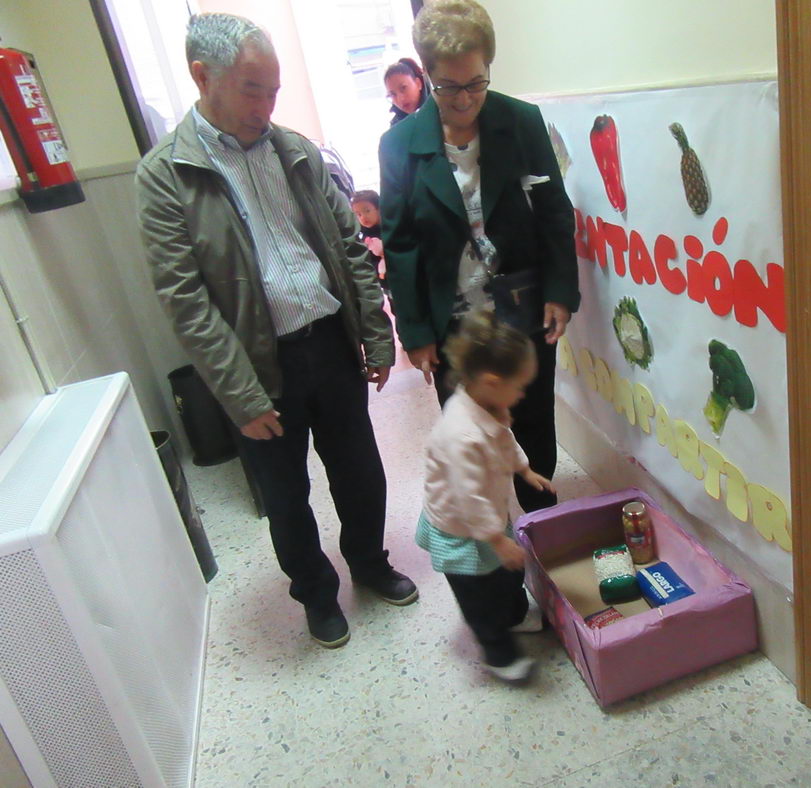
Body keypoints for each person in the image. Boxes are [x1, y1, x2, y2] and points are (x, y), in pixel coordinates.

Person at [135, 13, 417, 650]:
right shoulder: (164, 176)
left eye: (273, 92)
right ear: (201, 77)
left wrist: (375, 334)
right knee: (285, 497)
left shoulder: (295, 151)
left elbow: (348, 247)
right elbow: (186, 302)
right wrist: (241, 394)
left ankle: (370, 564)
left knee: (361, 471)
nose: (266, 107)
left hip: (328, 342)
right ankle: (317, 594)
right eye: (250, 90)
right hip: (258, 367)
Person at [379, 0, 580, 514]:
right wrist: (417, 332)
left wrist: (561, 290)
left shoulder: (521, 121)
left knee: (533, 426)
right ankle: (494, 552)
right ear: (426, 74)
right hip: (455, 324)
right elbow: (400, 244)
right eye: (449, 87)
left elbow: (555, 211)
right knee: (472, 436)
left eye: (476, 83)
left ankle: (540, 536)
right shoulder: (399, 144)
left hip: (522, 309)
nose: (465, 99)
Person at [415, 312, 551, 681]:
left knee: (508, 573)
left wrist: (524, 469)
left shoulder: (488, 403)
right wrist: (495, 540)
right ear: (492, 381)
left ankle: (515, 614)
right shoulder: (461, 435)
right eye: (520, 386)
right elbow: (468, 497)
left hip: (488, 517)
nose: (523, 394)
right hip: (462, 527)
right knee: (479, 593)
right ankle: (498, 653)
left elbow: (507, 440)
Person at [350, 189, 386, 291]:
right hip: (384, 282)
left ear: (378, 208)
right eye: (358, 214)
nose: (363, 217)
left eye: (367, 211)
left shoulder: (390, 227)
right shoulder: (363, 234)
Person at [384, 57, 429, 126]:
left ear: (418, 84)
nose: (401, 99)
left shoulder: (439, 106)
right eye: (393, 94)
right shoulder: (397, 129)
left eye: (403, 88)